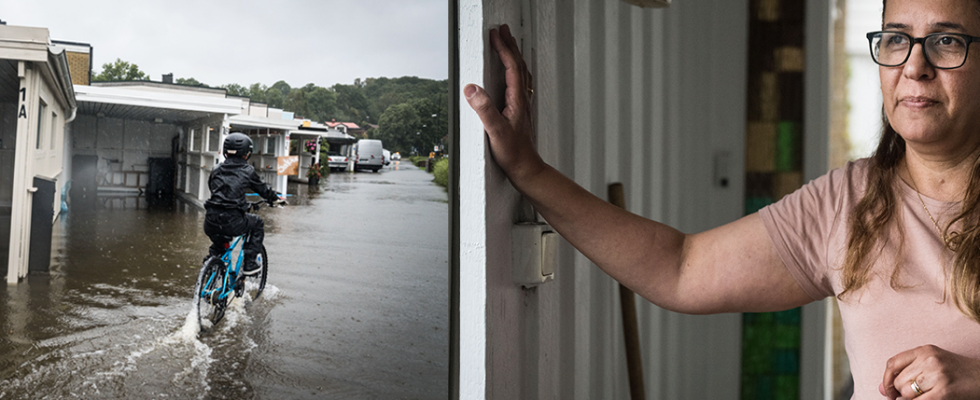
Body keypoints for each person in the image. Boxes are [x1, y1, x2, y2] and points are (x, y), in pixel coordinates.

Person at [464, 1, 980, 398]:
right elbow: (680, 268)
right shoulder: (849, 201)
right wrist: (529, 170)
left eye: (946, 41)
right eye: (897, 39)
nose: (915, 66)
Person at [204, 132, 285, 276]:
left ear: (225, 152)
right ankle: (250, 263)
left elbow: (215, 189)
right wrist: (274, 198)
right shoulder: (247, 171)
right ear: (247, 153)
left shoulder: (216, 169)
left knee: (219, 242)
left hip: (211, 220)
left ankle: (211, 263)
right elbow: (263, 189)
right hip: (233, 221)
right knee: (257, 224)